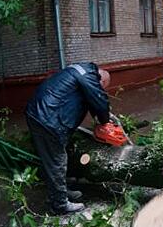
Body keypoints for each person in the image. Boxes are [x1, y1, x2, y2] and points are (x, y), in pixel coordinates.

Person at [25, 63, 111, 215]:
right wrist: (105, 121)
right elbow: (98, 99)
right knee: (57, 160)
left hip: (39, 114)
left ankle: (61, 193)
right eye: (103, 88)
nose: (102, 90)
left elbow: (89, 99)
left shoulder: (80, 71)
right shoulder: (89, 77)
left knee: (51, 159)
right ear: (101, 81)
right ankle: (60, 205)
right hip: (48, 119)